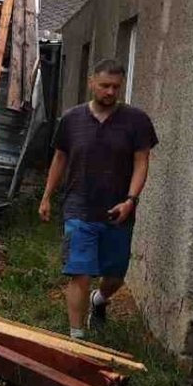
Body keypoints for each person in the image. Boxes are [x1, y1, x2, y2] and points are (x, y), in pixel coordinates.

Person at [38, 59, 158, 339]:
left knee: (115, 275)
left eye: (116, 87)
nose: (110, 92)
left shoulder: (136, 121)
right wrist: (46, 197)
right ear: (92, 83)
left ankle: (100, 300)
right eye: (104, 86)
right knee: (79, 272)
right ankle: (76, 336)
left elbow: (142, 162)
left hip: (118, 211)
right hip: (79, 207)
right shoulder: (71, 119)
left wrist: (130, 200)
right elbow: (60, 158)